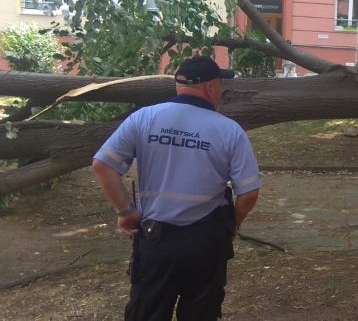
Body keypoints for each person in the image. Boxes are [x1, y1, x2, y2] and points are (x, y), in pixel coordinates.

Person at [92, 55, 261, 321]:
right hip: (205, 242)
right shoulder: (230, 131)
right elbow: (249, 192)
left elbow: (103, 165)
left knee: (146, 312)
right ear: (211, 88)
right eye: (220, 86)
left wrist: (125, 211)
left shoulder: (143, 118)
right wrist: (231, 225)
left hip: (155, 240)